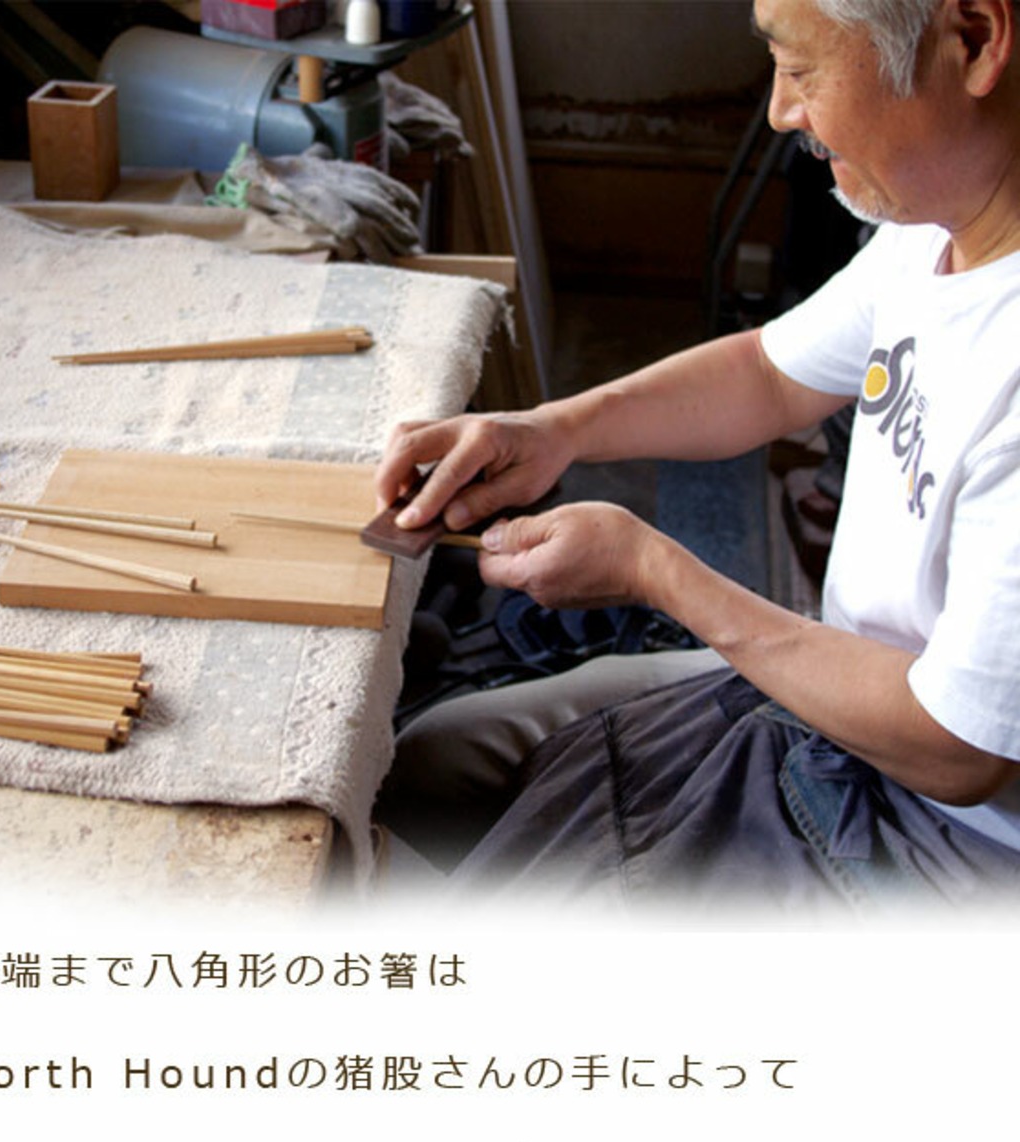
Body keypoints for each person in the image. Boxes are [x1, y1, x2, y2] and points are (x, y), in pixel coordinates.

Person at [373, 0, 1020, 912]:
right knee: (429, 769)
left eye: (802, 70)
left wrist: (654, 573)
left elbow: (959, 749)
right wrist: (552, 430)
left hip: (946, 840)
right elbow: (771, 374)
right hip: (837, 695)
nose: (780, 111)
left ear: (976, 41)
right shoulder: (938, 220)